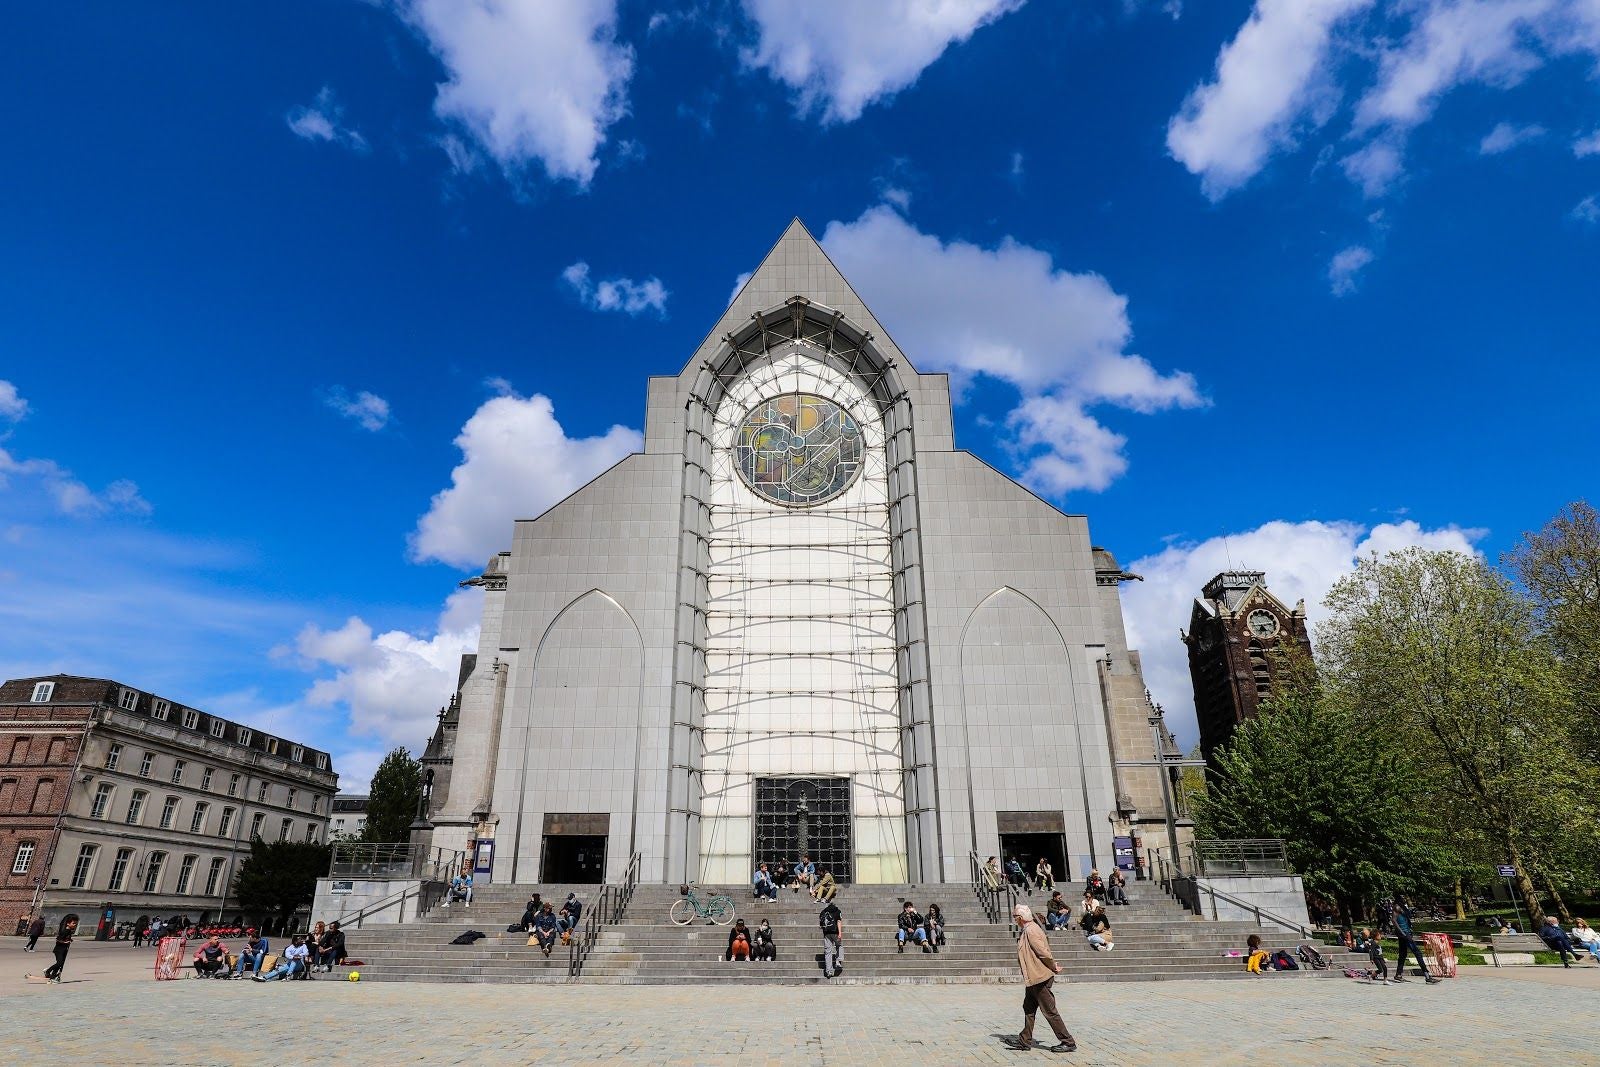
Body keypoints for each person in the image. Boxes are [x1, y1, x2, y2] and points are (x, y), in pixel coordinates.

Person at [1003, 904, 1076, 1054]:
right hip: (1033, 977)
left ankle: (1067, 1041)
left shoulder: (1031, 930)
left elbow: (1043, 952)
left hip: (1039, 977)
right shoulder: (1028, 929)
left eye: (1015, 917)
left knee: (1049, 1011)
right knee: (1028, 1008)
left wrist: (1053, 966)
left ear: (1021, 918)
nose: (1014, 919)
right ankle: (1025, 1040)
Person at [1389, 900, 1440, 984]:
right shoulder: (1397, 907)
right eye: (1402, 897)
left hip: (1406, 932)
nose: (1404, 898)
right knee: (1417, 953)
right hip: (1404, 934)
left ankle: (1398, 975)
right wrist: (1402, 933)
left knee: (1403, 954)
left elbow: (1407, 918)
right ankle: (1427, 976)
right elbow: (1394, 920)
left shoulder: (1404, 907)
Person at [41, 914, 78, 984]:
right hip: (59, 950)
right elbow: (58, 940)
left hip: (64, 949)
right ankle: (48, 971)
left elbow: (66, 939)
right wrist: (67, 941)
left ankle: (53, 976)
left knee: (60, 964)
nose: (75, 925)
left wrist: (69, 940)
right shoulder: (64, 931)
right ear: (68, 923)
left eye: (75, 923)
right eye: (73, 923)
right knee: (59, 963)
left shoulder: (69, 930)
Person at [819, 898, 844, 979]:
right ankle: (838, 961)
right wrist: (840, 933)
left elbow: (821, 923)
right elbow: (839, 922)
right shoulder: (837, 911)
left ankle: (829, 971)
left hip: (827, 934)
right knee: (839, 945)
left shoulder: (823, 911)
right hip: (835, 932)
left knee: (828, 952)